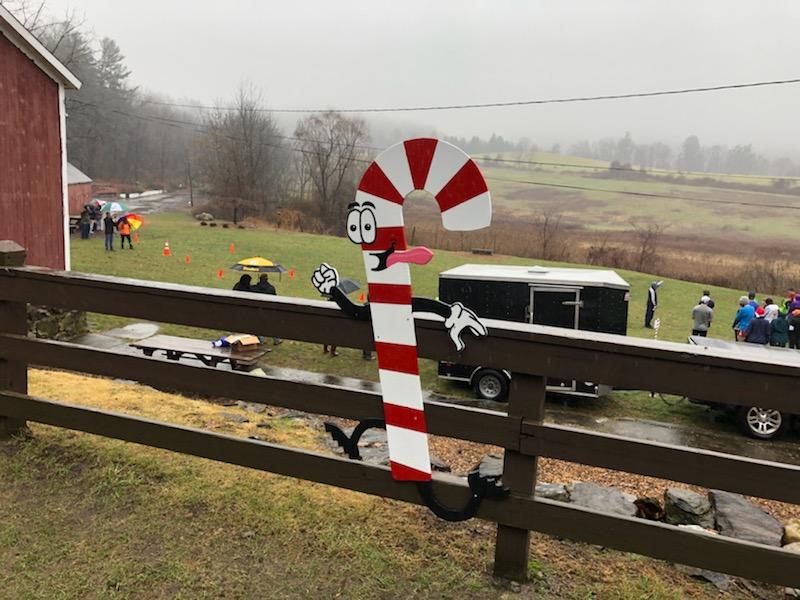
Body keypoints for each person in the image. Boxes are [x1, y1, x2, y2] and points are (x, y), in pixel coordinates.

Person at [251, 274, 282, 345]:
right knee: (271, 324)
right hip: (268, 310)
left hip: (257, 310)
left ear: (260, 279)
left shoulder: (253, 288)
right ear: (267, 279)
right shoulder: (271, 288)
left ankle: (261, 339)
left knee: (257, 323)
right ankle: (276, 339)